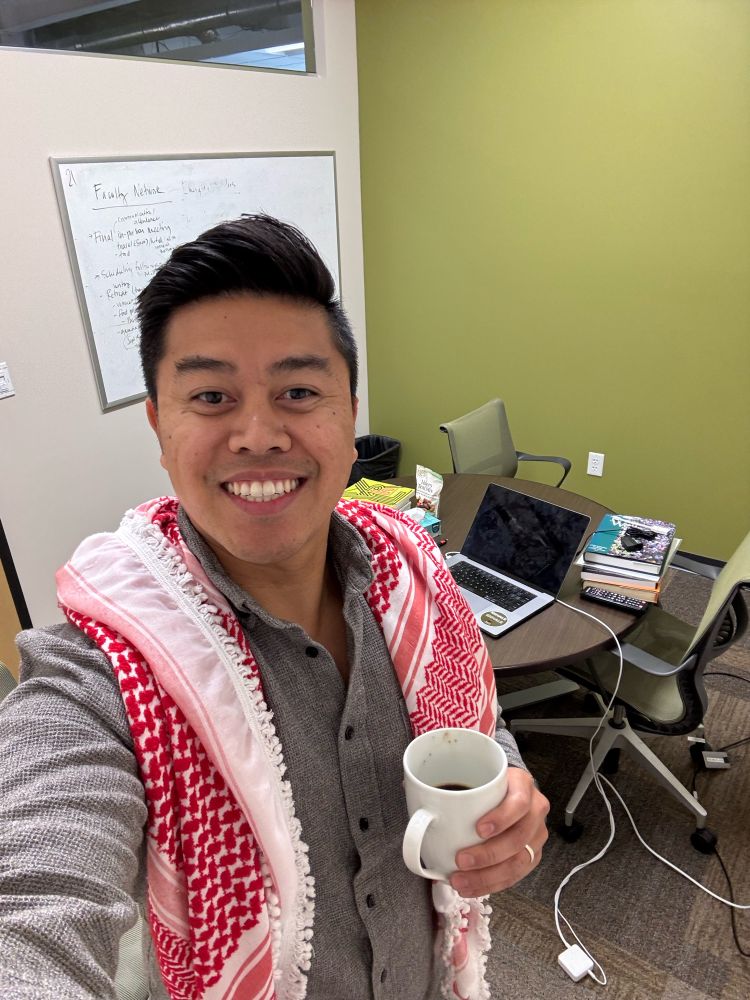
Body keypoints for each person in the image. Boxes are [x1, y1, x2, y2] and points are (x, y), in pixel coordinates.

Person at [0, 215, 549, 1000]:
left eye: (298, 392)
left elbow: (474, 723)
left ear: (349, 414)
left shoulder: (413, 570)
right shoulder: (103, 673)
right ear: (159, 424)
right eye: (211, 396)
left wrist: (511, 791)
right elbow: (33, 900)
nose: (257, 436)